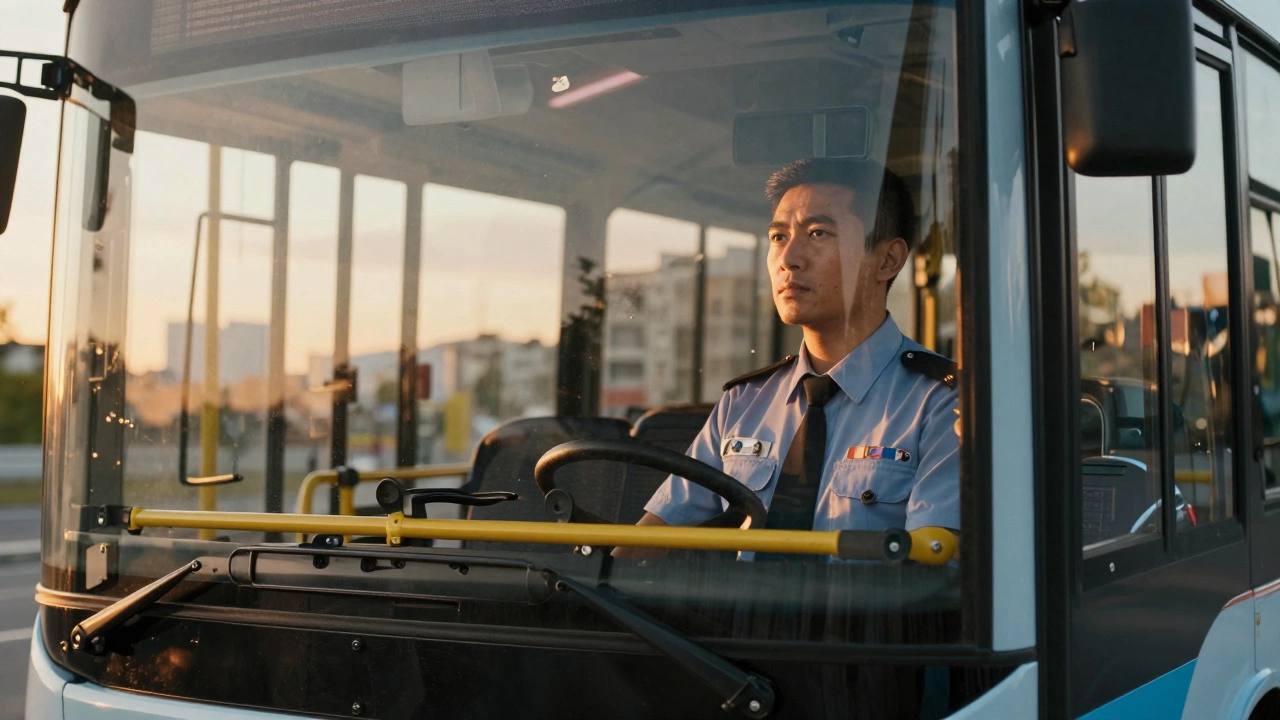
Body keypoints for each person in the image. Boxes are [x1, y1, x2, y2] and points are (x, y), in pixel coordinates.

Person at [614, 158, 958, 559]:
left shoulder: (942, 403)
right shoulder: (743, 403)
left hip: (864, 622)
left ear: (887, 260)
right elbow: (650, 541)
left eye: (818, 233)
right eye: (778, 237)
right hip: (738, 620)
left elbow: (930, 576)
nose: (788, 258)